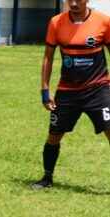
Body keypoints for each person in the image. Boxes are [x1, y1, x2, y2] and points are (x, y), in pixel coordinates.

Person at [32, 0, 110, 189]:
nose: (74, 3)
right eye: (70, 0)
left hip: (98, 89)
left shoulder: (103, 21)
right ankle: (47, 178)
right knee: (54, 136)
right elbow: (48, 57)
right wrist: (44, 90)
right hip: (67, 92)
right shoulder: (56, 22)